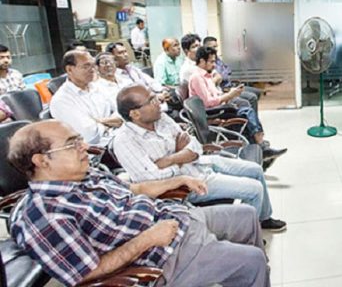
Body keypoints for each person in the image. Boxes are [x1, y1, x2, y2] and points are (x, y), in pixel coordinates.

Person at [8, 120, 269, 287]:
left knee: (246, 215)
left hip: (175, 218)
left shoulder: (85, 174)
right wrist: (148, 238)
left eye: (79, 139)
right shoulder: (42, 215)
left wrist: (179, 179)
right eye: (72, 144)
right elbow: (85, 273)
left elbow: (135, 189)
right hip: (165, 255)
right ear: (41, 160)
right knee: (252, 261)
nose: (84, 146)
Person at [113, 85, 286, 232]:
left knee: (255, 170)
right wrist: (181, 156)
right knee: (255, 189)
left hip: (200, 163)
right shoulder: (124, 141)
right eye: (151, 100)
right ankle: (247, 235)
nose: (158, 102)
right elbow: (151, 179)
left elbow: (195, 145)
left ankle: (263, 218)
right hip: (187, 184)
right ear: (135, 114)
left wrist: (169, 159)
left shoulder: (161, 118)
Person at [189, 46, 286, 159]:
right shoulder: (197, 78)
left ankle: (259, 147)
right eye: (211, 62)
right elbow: (207, 102)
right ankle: (260, 144)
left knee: (245, 108)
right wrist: (229, 96)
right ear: (202, 61)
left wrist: (230, 94)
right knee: (246, 112)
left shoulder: (206, 76)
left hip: (218, 108)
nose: (214, 65)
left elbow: (215, 95)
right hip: (211, 113)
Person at [49, 50, 122, 146]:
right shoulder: (62, 100)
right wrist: (113, 122)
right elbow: (89, 135)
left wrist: (99, 121)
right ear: (69, 69)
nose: (92, 70)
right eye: (86, 66)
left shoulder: (98, 87)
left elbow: (122, 111)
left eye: (93, 65)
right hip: (96, 148)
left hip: (117, 136)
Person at [203, 36, 262, 112]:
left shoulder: (217, 59)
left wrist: (222, 74)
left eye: (216, 46)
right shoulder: (208, 62)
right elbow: (221, 76)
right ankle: (249, 116)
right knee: (252, 97)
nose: (216, 49)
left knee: (257, 92)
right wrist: (222, 75)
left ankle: (252, 114)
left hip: (231, 85)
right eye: (213, 47)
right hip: (225, 89)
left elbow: (228, 70)